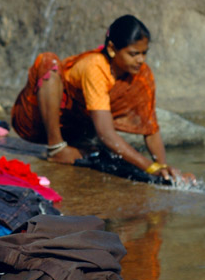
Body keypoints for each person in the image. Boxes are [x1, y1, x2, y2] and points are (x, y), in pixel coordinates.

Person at [11, 15, 181, 181]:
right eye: (133, 54)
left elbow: (150, 128)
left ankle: (77, 145)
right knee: (49, 64)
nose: (140, 59)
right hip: (39, 122)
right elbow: (106, 133)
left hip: (77, 131)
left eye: (144, 53)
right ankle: (56, 149)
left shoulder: (141, 74)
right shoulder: (96, 67)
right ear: (112, 49)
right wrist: (150, 167)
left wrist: (163, 169)